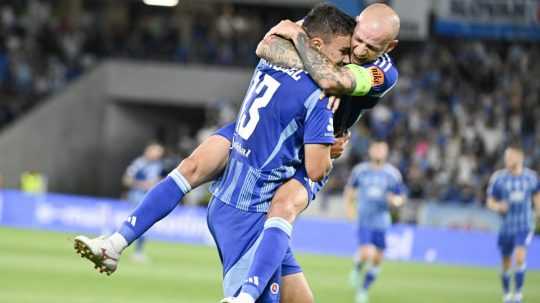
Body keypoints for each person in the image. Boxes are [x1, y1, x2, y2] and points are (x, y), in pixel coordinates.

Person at [74, 4, 399, 302]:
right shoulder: (329, 28)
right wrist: (301, 44)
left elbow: (332, 79)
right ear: (355, 25)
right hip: (275, 122)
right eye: (356, 41)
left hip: (310, 145)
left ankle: (245, 295)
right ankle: (114, 243)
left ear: (388, 48)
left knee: (284, 207)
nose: (357, 51)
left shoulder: (383, 72)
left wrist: (296, 38)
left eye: (370, 48)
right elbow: (265, 47)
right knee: (193, 166)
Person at [344, 141, 406, 303]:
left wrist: (395, 201)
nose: (378, 152)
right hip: (364, 218)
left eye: (381, 149)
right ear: (370, 151)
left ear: (386, 152)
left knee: (377, 259)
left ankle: (363, 290)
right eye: (376, 148)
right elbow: (350, 191)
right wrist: (350, 209)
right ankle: (358, 268)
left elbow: (400, 197)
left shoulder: (392, 174)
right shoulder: (360, 171)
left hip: (382, 220)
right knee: (366, 253)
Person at [486, 143, 540, 303]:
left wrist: (538, 211)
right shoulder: (499, 178)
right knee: (505, 263)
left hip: (524, 224)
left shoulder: (531, 177)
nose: (507, 159)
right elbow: (490, 201)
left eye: (510, 156)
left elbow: (537, 195)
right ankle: (506, 294)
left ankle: (518, 294)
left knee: (520, 256)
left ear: (519, 158)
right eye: (506, 157)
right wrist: (497, 206)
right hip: (506, 227)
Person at [122, 142, 164, 261]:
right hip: (137, 196)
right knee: (138, 223)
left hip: (149, 197)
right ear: (148, 151)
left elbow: (157, 180)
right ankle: (133, 251)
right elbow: (126, 180)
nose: (158, 155)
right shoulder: (138, 163)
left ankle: (138, 252)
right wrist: (142, 185)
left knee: (144, 224)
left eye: (160, 153)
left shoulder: (158, 165)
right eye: (156, 152)